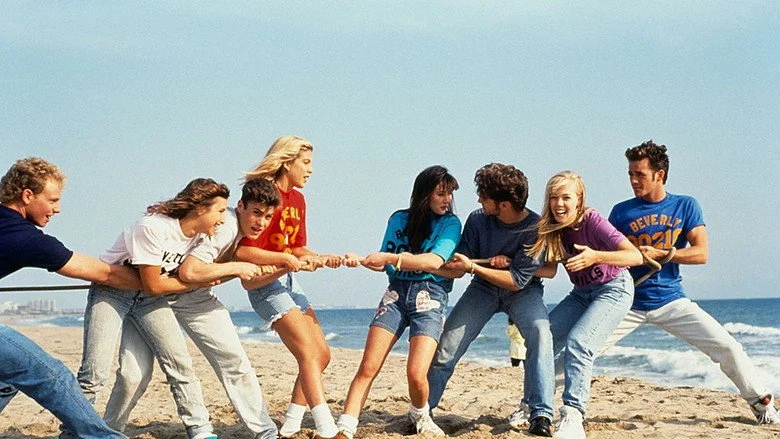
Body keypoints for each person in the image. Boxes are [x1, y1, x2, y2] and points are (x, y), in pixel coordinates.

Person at [603, 140, 779, 424]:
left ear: (660, 174)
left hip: (671, 300)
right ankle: (537, 402)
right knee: (580, 350)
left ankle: (761, 403)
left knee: (728, 347)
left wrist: (662, 253)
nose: (634, 180)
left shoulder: (685, 205)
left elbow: (701, 253)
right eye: (630, 174)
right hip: (628, 301)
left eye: (640, 174)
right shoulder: (620, 212)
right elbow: (608, 256)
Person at [101, 178, 283, 439]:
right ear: (241, 206)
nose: (261, 223)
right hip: (158, 295)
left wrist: (286, 263)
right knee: (134, 373)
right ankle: (107, 431)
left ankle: (264, 432)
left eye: (268, 217)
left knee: (232, 361)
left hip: (183, 294)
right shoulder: (226, 226)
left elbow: (229, 269)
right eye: (257, 213)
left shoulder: (233, 228)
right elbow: (191, 271)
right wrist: (236, 268)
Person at [73, 178, 231, 439]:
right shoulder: (152, 227)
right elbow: (154, 285)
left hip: (148, 299)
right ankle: (74, 433)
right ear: (200, 208)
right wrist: (195, 283)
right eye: (221, 211)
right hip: (113, 292)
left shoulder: (201, 237)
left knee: (177, 364)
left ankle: (200, 431)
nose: (223, 219)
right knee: (94, 374)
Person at [0, 157, 135, 439]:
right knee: (51, 375)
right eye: (52, 200)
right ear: (27, 195)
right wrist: (161, 282)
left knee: (6, 379)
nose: (57, 209)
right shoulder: (25, 238)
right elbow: (104, 273)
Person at [427, 163, 555, 437]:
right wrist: (417, 263)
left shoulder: (535, 228)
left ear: (504, 204)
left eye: (484, 197)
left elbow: (517, 280)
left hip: (523, 292)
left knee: (541, 334)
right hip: (482, 290)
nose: (478, 201)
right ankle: (423, 411)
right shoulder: (477, 220)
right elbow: (461, 265)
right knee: (447, 345)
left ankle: (541, 414)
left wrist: (476, 267)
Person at [335, 165, 462, 439]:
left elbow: (433, 262)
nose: (447, 200)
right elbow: (384, 262)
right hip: (396, 293)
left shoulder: (451, 224)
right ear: (424, 194)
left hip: (430, 295)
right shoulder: (398, 219)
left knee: (416, 373)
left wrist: (391, 259)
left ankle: (420, 413)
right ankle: (345, 427)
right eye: (441, 193)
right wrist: (361, 260)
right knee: (368, 366)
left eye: (450, 194)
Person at [235, 135, 344, 439]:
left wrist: (320, 258)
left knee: (322, 355)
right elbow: (243, 251)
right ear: (286, 162)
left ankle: (291, 425)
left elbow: (296, 248)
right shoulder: (263, 196)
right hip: (263, 283)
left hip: (288, 280)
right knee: (308, 352)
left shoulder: (298, 199)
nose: (311, 170)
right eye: (305, 163)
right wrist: (285, 259)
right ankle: (326, 429)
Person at [528, 170, 642, 439]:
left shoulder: (593, 220)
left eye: (566, 197)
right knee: (542, 338)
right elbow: (548, 271)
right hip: (581, 293)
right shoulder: (552, 228)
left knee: (579, 343)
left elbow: (634, 256)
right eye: (553, 197)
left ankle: (573, 414)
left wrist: (595, 257)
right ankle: (532, 406)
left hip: (613, 289)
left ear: (579, 199)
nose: (559, 204)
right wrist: (507, 265)